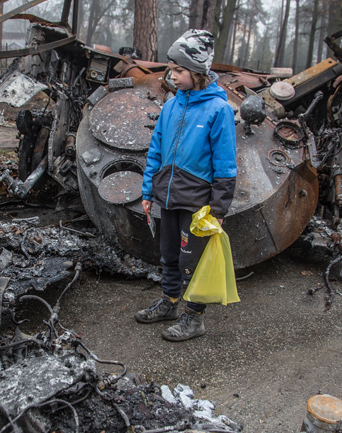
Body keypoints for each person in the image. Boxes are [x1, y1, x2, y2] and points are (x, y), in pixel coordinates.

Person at [135, 29, 237, 341]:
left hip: (197, 201)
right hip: (168, 195)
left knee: (192, 261)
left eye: (179, 70)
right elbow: (155, 150)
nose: (172, 76)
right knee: (168, 254)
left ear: (197, 71)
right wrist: (148, 191)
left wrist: (218, 209)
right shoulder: (170, 106)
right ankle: (169, 302)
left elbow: (226, 164)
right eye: (171, 69)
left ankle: (194, 317)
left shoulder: (218, 110)